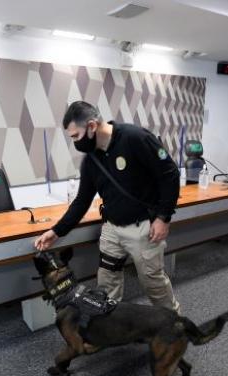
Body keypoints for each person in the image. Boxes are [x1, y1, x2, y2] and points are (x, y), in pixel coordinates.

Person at [34, 101, 181, 313]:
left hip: (144, 229)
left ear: (92, 126)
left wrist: (163, 217)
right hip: (112, 228)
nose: (75, 142)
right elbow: (82, 201)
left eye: (75, 136)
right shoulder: (91, 160)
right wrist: (56, 231)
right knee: (107, 282)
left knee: (153, 283)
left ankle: (174, 324)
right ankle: (108, 326)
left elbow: (169, 174)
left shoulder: (135, 138)